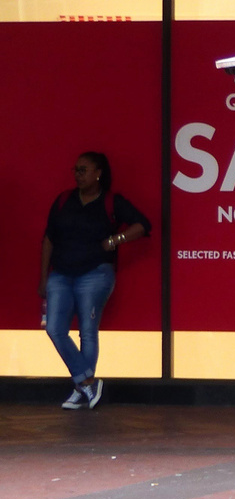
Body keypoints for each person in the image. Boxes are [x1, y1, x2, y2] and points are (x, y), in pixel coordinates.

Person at [39, 152, 151, 410]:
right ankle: (87, 382)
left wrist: (115, 241)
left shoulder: (111, 201)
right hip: (61, 273)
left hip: (95, 273)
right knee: (54, 329)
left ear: (98, 173)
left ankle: (82, 389)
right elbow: (48, 239)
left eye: (84, 170)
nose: (78, 175)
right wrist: (44, 276)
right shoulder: (64, 200)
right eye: (75, 170)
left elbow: (143, 224)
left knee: (87, 332)